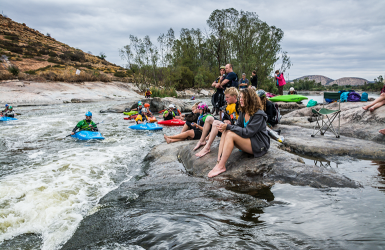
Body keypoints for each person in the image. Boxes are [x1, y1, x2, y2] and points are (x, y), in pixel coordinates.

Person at [208, 88, 270, 177]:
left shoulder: (259, 114)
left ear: (250, 99)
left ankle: (221, 166)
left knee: (230, 134)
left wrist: (229, 126)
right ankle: (219, 161)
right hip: (249, 141)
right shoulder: (243, 111)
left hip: (259, 144)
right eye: (240, 97)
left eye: (243, 97)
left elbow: (248, 132)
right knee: (227, 131)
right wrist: (226, 126)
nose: (240, 99)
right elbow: (238, 127)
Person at [194, 87, 240, 156]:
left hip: (234, 130)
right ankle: (202, 141)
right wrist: (226, 121)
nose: (225, 99)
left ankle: (207, 148)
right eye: (225, 97)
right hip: (226, 127)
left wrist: (231, 123)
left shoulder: (239, 106)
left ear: (234, 97)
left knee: (215, 123)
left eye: (227, 97)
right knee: (209, 118)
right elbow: (223, 119)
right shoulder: (227, 106)